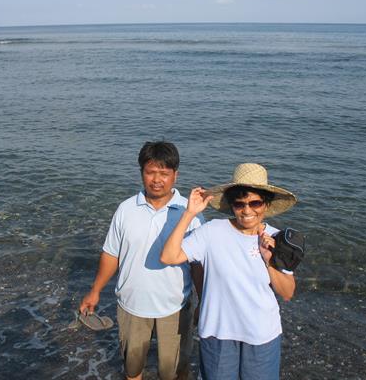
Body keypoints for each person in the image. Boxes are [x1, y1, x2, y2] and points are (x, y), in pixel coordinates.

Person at [79, 141, 204, 380]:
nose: (157, 180)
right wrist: (95, 291)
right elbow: (111, 253)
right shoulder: (125, 210)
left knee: (175, 372)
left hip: (176, 307)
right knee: (132, 369)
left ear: (175, 175)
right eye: (150, 172)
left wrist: (203, 300)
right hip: (131, 306)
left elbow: (198, 265)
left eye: (164, 173)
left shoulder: (190, 212)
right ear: (141, 173)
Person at [160, 163, 297, 380]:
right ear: (231, 205)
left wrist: (268, 260)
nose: (247, 210)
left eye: (255, 202)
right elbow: (168, 256)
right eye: (239, 203)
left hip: (261, 335)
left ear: (266, 204)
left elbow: (288, 292)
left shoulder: (276, 239)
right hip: (217, 333)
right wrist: (189, 214)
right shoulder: (212, 231)